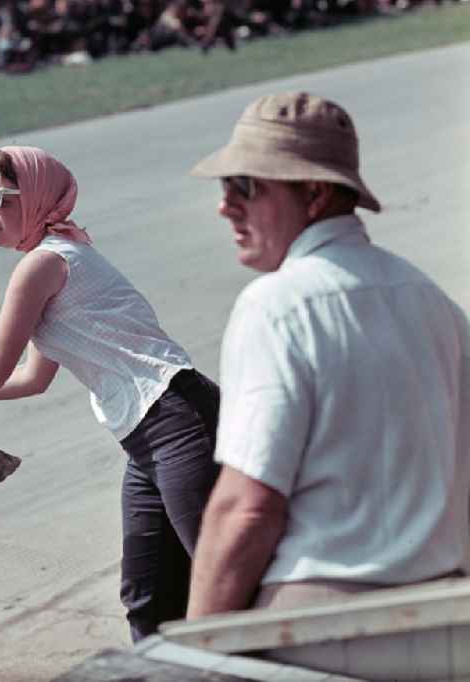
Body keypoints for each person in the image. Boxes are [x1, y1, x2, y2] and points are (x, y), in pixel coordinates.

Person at [185, 91, 470, 677]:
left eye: (247, 186)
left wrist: (191, 655)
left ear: (314, 194)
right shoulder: (432, 300)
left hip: (324, 628)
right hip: (445, 620)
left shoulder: (276, 306)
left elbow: (245, 509)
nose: (225, 207)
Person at [0, 144, 220, 641]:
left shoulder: (45, 264)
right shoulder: (54, 258)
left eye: (0, 200)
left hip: (179, 420)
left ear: (34, 198)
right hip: (148, 440)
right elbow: (33, 378)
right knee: (148, 598)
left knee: (225, 590)